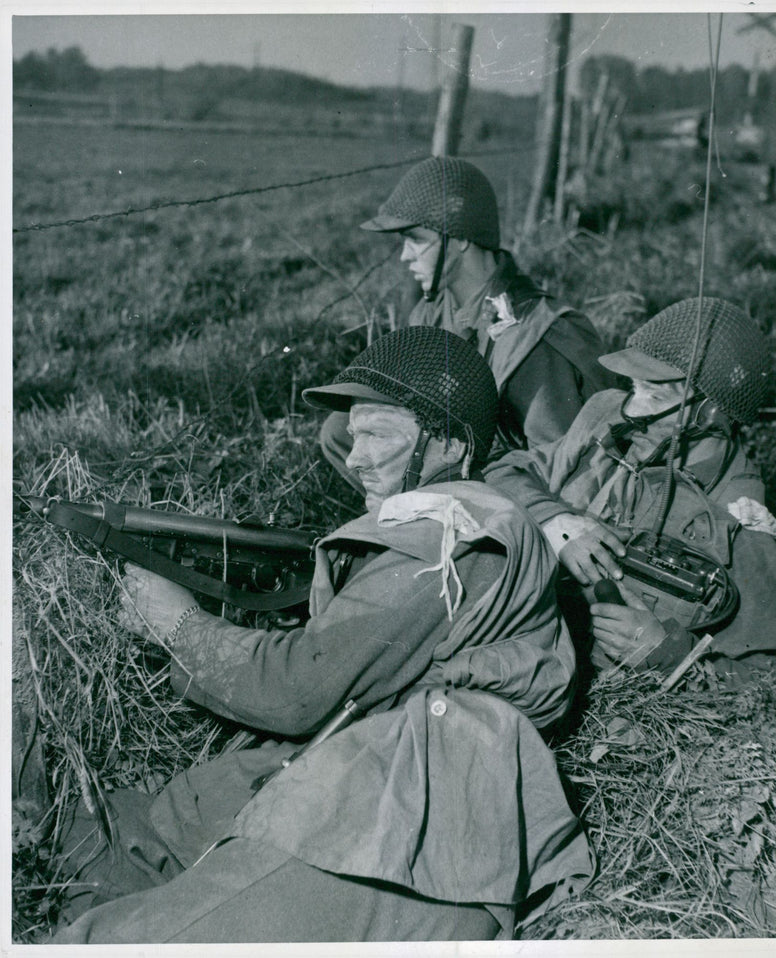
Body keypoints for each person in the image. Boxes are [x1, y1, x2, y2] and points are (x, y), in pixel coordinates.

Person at [52, 326, 593, 944]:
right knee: (85, 851)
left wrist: (179, 625)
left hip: (408, 819)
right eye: (353, 435)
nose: (354, 457)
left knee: (112, 943)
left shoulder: (450, 532)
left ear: (446, 442)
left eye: (377, 435)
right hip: (376, 786)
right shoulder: (438, 523)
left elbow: (301, 686)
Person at [485, 298, 776, 681]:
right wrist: (556, 520)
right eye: (633, 387)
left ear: (710, 413)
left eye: (655, 396)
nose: (634, 410)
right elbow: (506, 469)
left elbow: (768, 673)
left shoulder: (736, 504)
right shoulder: (608, 410)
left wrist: (667, 651)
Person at [321, 156, 613, 490]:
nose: (404, 256)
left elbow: (562, 468)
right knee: (339, 430)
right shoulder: (431, 313)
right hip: (454, 466)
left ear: (458, 238)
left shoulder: (533, 336)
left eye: (415, 239)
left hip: (515, 489)